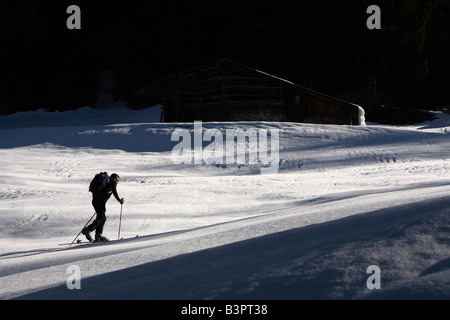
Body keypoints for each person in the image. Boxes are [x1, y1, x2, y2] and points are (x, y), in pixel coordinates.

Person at [82, 173, 125, 242]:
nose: (117, 182)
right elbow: (114, 192)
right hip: (99, 201)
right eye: (117, 180)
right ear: (114, 178)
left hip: (96, 201)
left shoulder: (106, 184)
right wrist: (119, 200)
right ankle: (88, 230)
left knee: (102, 217)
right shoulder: (112, 182)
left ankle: (98, 235)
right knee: (101, 217)